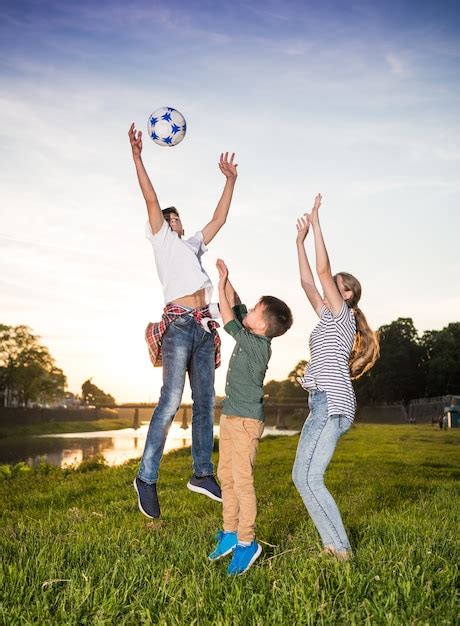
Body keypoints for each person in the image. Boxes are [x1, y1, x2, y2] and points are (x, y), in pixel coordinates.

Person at [128, 123, 238, 519]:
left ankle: (202, 474)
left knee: (207, 401)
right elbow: (150, 197)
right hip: (178, 327)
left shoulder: (192, 247)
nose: (177, 221)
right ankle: (146, 477)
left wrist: (231, 181)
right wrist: (138, 157)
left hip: (204, 328)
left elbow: (219, 218)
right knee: (171, 400)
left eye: (178, 218)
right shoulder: (162, 240)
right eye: (172, 218)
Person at [292, 194, 379, 561]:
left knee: (312, 478)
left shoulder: (344, 314)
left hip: (333, 403)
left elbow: (323, 273)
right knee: (302, 477)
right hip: (321, 402)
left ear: (347, 296)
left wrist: (317, 224)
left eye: (337, 286)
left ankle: (341, 549)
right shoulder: (328, 317)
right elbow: (307, 282)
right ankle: (332, 544)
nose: (329, 288)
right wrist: (299, 242)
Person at [209, 258, 293, 575]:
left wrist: (220, 287)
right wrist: (227, 279)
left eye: (257, 311)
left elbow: (229, 317)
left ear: (262, 326)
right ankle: (230, 533)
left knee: (243, 482)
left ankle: (247, 542)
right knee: (227, 476)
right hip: (231, 416)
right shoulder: (253, 329)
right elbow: (238, 304)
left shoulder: (258, 345)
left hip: (246, 422)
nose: (251, 311)